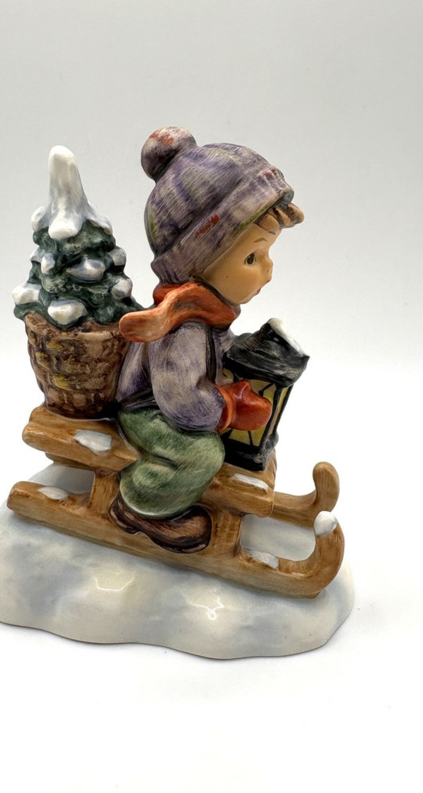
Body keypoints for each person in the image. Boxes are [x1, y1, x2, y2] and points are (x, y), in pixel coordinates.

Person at [112, 127, 304, 553]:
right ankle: (139, 503)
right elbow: (181, 401)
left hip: (178, 402)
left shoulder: (209, 311)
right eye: (252, 257)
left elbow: (212, 358)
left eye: (266, 254)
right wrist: (231, 408)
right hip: (147, 411)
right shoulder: (182, 326)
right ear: (199, 263)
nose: (268, 270)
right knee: (200, 454)